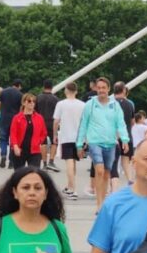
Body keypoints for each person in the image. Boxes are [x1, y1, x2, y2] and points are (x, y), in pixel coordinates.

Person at [75, 77, 129, 213]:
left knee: (106, 174)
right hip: (94, 142)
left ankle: (103, 202)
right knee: (99, 170)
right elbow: (83, 125)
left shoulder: (115, 105)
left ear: (108, 89)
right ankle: (99, 204)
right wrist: (79, 144)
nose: (101, 90)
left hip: (110, 143)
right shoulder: (90, 104)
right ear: (96, 89)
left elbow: (121, 123)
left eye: (103, 88)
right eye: (98, 88)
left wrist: (125, 139)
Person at [53, 82, 86, 200]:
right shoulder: (83, 105)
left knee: (69, 162)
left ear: (66, 90)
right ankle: (69, 185)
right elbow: (85, 122)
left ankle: (73, 189)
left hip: (66, 136)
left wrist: (54, 134)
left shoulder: (61, 104)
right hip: (79, 137)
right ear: (76, 91)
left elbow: (56, 121)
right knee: (74, 162)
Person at [9, 93, 47, 170]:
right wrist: (15, 146)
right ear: (23, 103)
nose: (32, 103)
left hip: (34, 151)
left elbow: (44, 133)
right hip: (20, 149)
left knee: (34, 174)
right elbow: (13, 134)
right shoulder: (17, 118)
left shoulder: (39, 118)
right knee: (19, 175)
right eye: (29, 101)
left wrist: (38, 141)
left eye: (34, 101)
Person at [0, 79, 24, 169]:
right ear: (19, 85)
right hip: (14, 121)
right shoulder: (20, 95)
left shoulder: (3, 92)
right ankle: (11, 161)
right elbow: (21, 109)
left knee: (3, 139)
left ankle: (3, 155)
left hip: (4, 119)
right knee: (13, 141)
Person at [112, 82, 135, 184]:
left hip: (114, 137)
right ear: (124, 90)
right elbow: (132, 121)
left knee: (113, 162)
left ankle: (111, 186)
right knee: (126, 161)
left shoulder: (110, 103)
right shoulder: (130, 104)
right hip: (127, 136)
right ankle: (130, 181)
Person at [36, 80, 60, 172]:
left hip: (40, 123)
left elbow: (35, 111)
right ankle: (51, 161)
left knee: (43, 143)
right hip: (52, 123)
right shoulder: (56, 99)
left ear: (43, 87)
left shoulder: (38, 98)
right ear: (52, 87)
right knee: (54, 142)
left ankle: (44, 163)